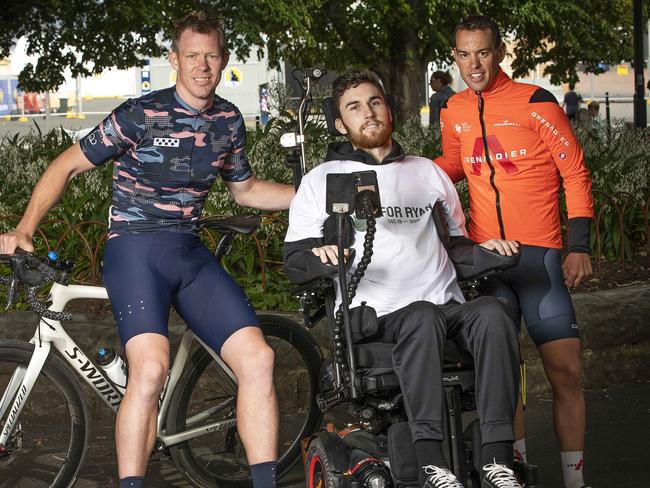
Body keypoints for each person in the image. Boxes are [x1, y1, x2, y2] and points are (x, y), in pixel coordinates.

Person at [0, 11, 294, 488]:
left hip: (189, 254)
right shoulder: (141, 113)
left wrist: (315, 193)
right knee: (151, 367)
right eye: (192, 56)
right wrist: (25, 229)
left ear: (223, 61)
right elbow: (67, 165)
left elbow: (246, 190)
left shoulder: (227, 120)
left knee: (259, 359)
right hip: (134, 249)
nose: (202, 66)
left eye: (212, 56)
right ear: (173, 59)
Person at [284, 69, 523, 488]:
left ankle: (497, 460)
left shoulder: (428, 172)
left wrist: (488, 251)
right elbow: (295, 261)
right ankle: (431, 463)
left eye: (375, 102)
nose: (368, 113)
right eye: (354, 108)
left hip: (445, 305)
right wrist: (319, 256)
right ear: (341, 124)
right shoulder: (321, 179)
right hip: (380, 315)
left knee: (492, 312)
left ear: (389, 110)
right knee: (422, 316)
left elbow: (456, 246)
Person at [435, 15, 594, 488]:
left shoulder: (536, 102)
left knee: (567, 373)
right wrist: (401, 174)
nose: (473, 64)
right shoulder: (453, 109)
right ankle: (516, 474)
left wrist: (578, 246)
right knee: (503, 380)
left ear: (498, 53)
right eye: (464, 55)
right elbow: (450, 167)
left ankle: (575, 480)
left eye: (482, 52)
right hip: (488, 262)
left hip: (540, 260)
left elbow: (576, 175)